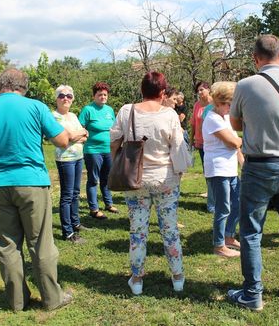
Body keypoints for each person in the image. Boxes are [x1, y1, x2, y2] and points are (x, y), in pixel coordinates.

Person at [0, 68, 72, 312]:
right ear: (23, 87)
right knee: (41, 243)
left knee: (8, 244)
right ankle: (52, 298)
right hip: (32, 182)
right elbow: (62, 140)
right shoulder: (35, 107)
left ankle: (16, 301)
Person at [228, 35, 279, 311]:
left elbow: (236, 123)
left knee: (251, 232)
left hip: (260, 164)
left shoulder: (246, 84)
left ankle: (253, 294)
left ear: (255, 58)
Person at [110, 71, 191, 296]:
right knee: (170, 229)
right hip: (165, 179)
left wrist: (116, 162)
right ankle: (177, 277)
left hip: (135, 179)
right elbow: (177, 147)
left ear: (141, 90)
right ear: (163, 92)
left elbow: (114, 140)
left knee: (138, 230)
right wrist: (180, 172)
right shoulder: (170, 114)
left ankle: (136, 279)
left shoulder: (127, 111)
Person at [202, 81, 243, 258]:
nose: (231, 108)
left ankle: (229, 236)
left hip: (230, 168)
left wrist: (242, 162)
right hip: (218, 169)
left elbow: (236, 146)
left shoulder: (225, 117)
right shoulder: (211, 118)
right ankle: (219, 245)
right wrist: (245, 138)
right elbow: (234, 142)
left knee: (239, 203)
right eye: (229, 104)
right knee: (223, 207)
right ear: (219, 102)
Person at [52, 85, 89, 243]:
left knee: (75, 193)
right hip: (65, 160)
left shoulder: (73, 116)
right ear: (57, 99)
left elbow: (84, 135)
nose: (65, 98)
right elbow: (65, 138)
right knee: (67, 196)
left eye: (69, 96)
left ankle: (76, 223)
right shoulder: (53, 117)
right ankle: (67, 232)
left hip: (78, 157)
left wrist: (76, 135)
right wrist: (75, 135)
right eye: (61, 96)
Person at [78, 82, 118, 219]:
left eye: (105, 94)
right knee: (93, 179)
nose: (103, 97)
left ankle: (109, 204)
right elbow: (80, 127)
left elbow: (114, 128)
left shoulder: (110, 110)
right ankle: (94, 209)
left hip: (108, 149)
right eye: (100, 94)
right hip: (92, 150)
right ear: (94, 95)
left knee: (107, 178)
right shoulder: (87, 110)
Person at [190, 81, 215, 213]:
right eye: (198, 91)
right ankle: (211, 198)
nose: (199, 93)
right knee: (207, 172)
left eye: (201, 90)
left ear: (208, 90)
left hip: (213, 143)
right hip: (200, 143)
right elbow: (193, 124)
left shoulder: (214, 104)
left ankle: (214, 202)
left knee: (214, 172)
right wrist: (191, 139)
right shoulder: (197, 105)